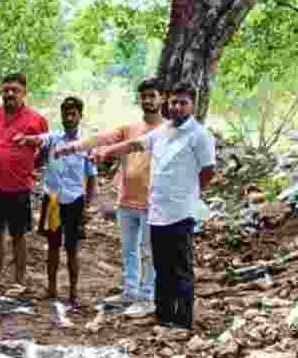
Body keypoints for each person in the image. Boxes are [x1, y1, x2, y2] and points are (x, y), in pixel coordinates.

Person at [54, 81, 216, 329]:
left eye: (183, 102)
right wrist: (100, 152)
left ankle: (182, 322)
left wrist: (189, 193)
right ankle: (162, 316)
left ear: (192, 105)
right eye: (174, 102)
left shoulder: (199, 135)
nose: (177, 107)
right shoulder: (162, 131)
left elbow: (207, 171)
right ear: (167, 103)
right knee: (160, 265)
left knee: (179, 268)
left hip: (179, 211)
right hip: (155, 210)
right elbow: (132, 145)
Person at [83, 77, 166, 317]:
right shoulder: (129, 128)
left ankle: (148, 297)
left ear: (162, 98)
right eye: (144, 96)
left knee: (150, 251)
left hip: (153, 201)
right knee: (129, 248)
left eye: (153, 96)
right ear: (139, 99)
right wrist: (87, 149)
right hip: (126, 198)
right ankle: (130, 291)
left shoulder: (168, 130)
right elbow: (104, 139)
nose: (148, 100)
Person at [0, 73, 49, 293]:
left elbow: (45, 147)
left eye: (15, 90)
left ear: (24, 93)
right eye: (6, 90)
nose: (10, 94)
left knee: (19, 234)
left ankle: (19, 280)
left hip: (19, 186)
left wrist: (31, 166)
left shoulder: (36, 119)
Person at [16, 96, 97, 303]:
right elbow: (39, 140)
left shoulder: (86, 144)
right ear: (61, 115)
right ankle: (51, 289)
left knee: (72, 249)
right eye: (65, 113)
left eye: (73, 114)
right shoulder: (53, 138)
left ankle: (73, 292)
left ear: (80, 116)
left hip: (75, 201)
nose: (69, 117)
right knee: (52, 247)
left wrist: (88, 207)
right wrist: (26, 139)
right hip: (52, 201)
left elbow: (91, 177)